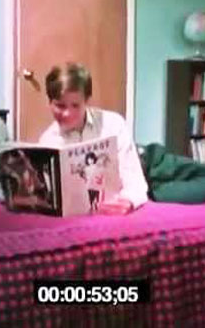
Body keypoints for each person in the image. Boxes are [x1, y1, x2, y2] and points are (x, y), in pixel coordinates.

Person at [39, 62, 148, 214]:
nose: (67, 113)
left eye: (75, 105)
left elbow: (135, 182)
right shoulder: (47, 141)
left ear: (87, 101)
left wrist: (128, 201)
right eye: (60, 106)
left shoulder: (113, 124)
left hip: (148, 160)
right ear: (50, 103)